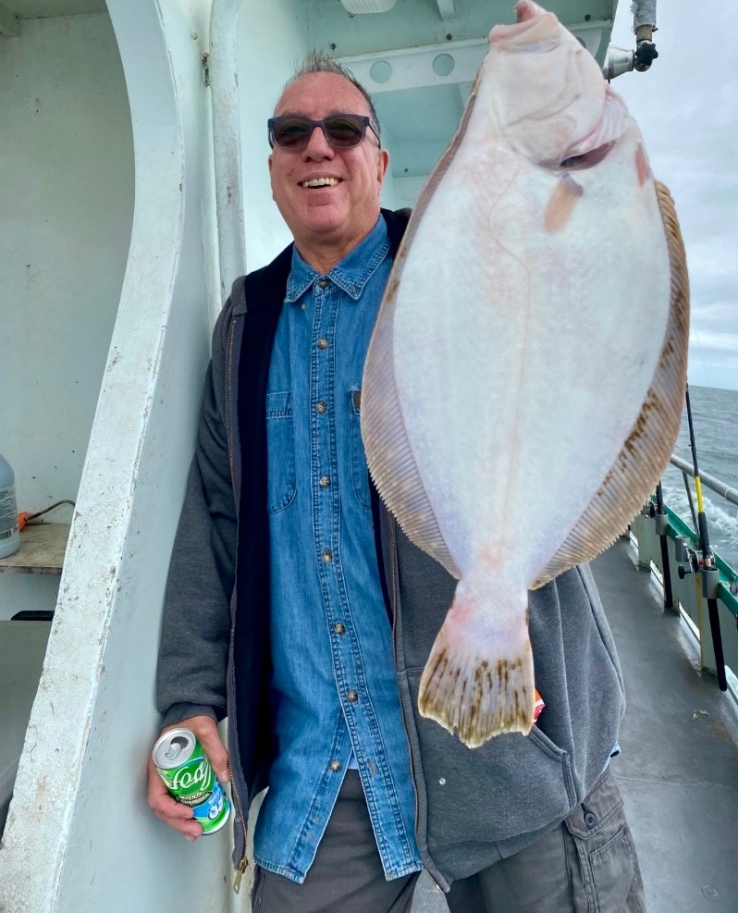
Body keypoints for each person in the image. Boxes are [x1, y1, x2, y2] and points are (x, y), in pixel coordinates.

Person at [148, 52, 646, 912]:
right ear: (270, 165)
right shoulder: (244, 323)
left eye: (345, 130)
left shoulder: (472, 267)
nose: (318, 148)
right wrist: (190, 701)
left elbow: (586, 305)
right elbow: (216, 521)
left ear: (380, 159)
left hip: (508, 749)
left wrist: (563, 126)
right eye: (290, 132)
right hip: (328, 769)